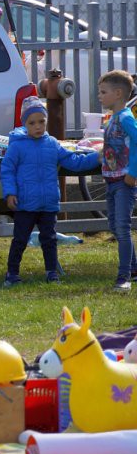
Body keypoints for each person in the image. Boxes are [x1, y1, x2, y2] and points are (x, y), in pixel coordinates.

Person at [0, 96, 100, 288]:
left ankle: (51, 272)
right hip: (25, 204)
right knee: (20, 240)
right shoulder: (17, 146)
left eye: (41, 121)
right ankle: (12, 273)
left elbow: (73, 161)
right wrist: (10, 192)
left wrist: (97, 157)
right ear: (24, 124)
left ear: (46, 121)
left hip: (48, 204)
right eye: (32, 123)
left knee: (49, 239)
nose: (37, 126)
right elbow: (7, 170)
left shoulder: (52, 143)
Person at [98, 70, 137, 290]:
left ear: (119, 93)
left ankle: (123, 278)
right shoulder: (112, 119)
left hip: (124, 181)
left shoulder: (126, 118)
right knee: (114, 225)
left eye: (104, 92)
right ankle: (133, 268)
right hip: (111, 180)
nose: (100, 96)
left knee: (122, 227)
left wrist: (134, 171)